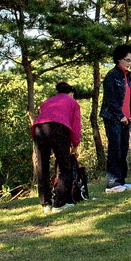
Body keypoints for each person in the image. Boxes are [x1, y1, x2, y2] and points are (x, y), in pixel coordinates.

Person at [31, 82, 82, 213]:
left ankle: (45, 203)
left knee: (42, 166)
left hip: (39, 129)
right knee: (64, 165)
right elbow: (76, 127)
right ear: (71, 93)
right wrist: (75, 145)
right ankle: (59, 203)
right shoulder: (72, 102)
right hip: (58, 128)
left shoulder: (47, 101)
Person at [99, 44, 131, 193]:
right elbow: (110, 100)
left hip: (126, 118)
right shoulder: (112, 75)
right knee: (115, 149)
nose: (129, 63)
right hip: (113, 118)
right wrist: (120, 115)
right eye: (127, 59)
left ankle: (121, 180)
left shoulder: (128, 77)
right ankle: (112, 183)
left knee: (123, 149)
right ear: (118, 59)